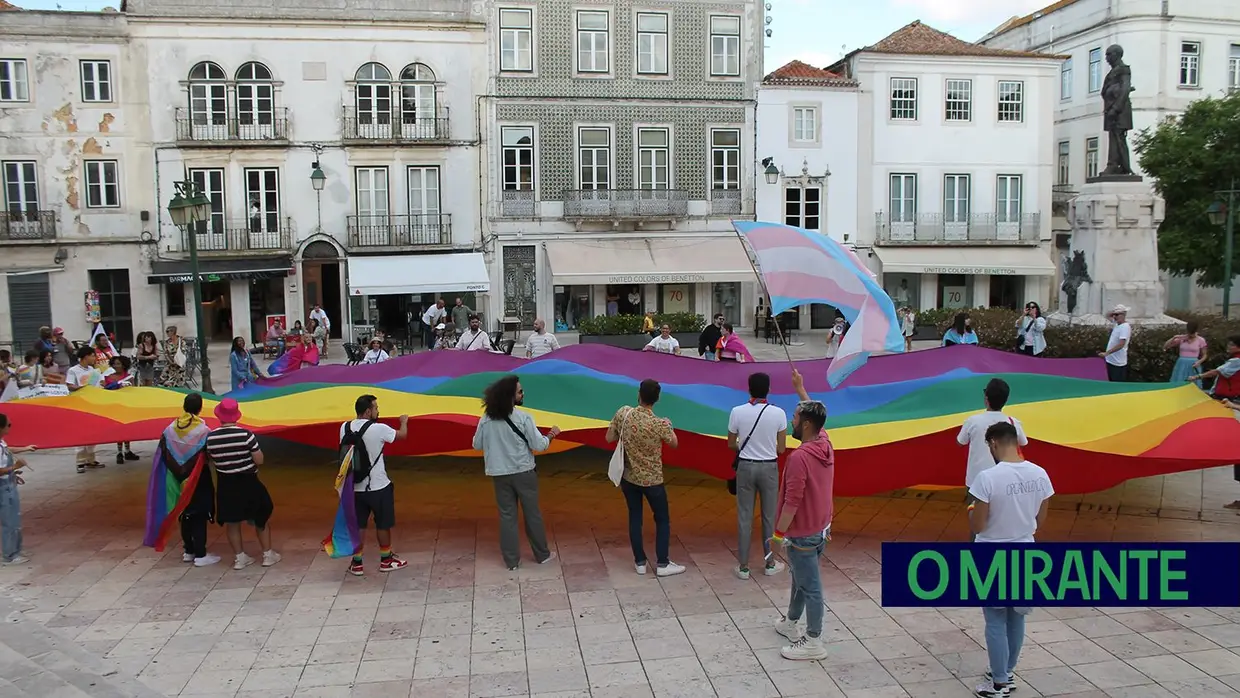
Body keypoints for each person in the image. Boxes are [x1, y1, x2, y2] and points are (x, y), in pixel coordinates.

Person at [968, 420, 1053, 697]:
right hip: (1025, 549)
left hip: (991, 554)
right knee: (1017, 617)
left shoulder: (988, 478)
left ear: (993, 443)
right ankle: (1007, 671)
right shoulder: (1040, 474)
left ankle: (998, 683)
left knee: (994, 619)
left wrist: (972, 511)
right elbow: (1040, 519)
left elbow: (978, 525)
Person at [772, 368, 833, 661]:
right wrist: (800, 389)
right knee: (800, 578)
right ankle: (791, 622)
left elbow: (791, 502)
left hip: (803, 533)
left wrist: (776, 535)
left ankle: (813, 640)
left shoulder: (799, 458)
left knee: (811, 587)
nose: (791, 422)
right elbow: (818, 420)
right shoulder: (825, 444)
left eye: (795, 418)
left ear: (806, 424)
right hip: (820, 529)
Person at [472, 376, 559, 570]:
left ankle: (511, 561)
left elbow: (476, 444)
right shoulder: (524, 417)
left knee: (507, 516)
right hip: (523, 472)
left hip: (499, 473)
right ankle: (542, 555)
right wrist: (552, 435)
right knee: (532, 514)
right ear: (510, 396)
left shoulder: (486, 419)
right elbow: (539, 445)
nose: (523, 394)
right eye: (520, 391)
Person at [605, 379, 685, 577]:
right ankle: (663, 563)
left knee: (635, 517)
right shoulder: (659, 424)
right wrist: (669, 425)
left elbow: (609, 438)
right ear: (657, 399)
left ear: (639, 394)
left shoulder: (623, 413)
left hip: (629, 478)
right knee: (662, 520)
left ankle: (640, 562)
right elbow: (674, 443)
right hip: (653, 480)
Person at [207, 398, 280, 570]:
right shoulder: (246, 435)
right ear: (236, 415)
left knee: (232, 522)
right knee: (260, 516)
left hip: (226, 484)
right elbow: (259, 459)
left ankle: (240, 558)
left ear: (220, 416)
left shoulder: (211, 438)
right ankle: (267, 555)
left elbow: (211, 459)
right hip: (248, 481)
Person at [340, 395, 410, 575]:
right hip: (378, 486)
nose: (378, 411)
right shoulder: (379, 429)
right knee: (383, 524)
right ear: (368, 411)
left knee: (359, 525)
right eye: (376, 408)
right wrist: (404, 421)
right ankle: (386, 560)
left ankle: (357, 563)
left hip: (354, 487)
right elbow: (402, 436)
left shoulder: (344, 427)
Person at [728, 372, 787, 580]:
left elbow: (730, 443)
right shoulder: (779, 413)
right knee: (769, 517)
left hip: (745, 466)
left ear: (748, 388)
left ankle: (744, 567)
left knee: (744, 517)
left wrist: (745, 445)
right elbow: (781, 449)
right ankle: (770, 562)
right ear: (769, 390)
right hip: (769, 468)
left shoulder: (737, 412)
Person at [958, 379, 1028, 510]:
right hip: (1004, 481)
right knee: (1001, 517)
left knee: (977, 520)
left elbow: (960, 441)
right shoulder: (1012, 422)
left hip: (975, 481)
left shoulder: (972, 421)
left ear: (986, 398)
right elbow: (1023, 442)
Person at [0, 413, 34, 565]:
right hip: (3, 488)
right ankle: (10, 555)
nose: (10, 427)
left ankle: (16, 549)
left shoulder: (1, 442)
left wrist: (25, 448)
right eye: (9, 425)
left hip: (8, 483)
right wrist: (14, 467)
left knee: (15, 519)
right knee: (10, 521)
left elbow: (9, 449)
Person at [65, 346, 106, 473]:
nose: (94, 358)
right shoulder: (73, 370)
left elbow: (100, 385)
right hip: (80, 403)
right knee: (81, 432)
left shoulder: (94, 371)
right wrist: (82, 388)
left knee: (93, 431)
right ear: (85, 356)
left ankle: (91, 459)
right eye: (93, 355)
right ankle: (80, 461)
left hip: (93, 403)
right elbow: (70, 385)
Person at [104, 356, 140, 464]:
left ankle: (127, 451)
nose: (116, 366)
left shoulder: (129, 377)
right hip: (115, 406)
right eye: (114, 364)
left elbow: (134, 392)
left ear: (124, 365)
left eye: (118, 364)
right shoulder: (109, 377)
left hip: (127, 406)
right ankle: (119, 452)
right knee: (118, 430)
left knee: (127, 430)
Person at [1099, 305, 1131, 382]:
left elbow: (1121, 344)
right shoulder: (1117, 324)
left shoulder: (1125, 327)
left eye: (1117, 315)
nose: (1114, 317)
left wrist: (1107, 353)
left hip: (1118, 363)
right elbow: (1106, 315)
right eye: (1114, 315)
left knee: (1118, 384)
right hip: (1111, 361)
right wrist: (1114, 313)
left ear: (1123, 315)